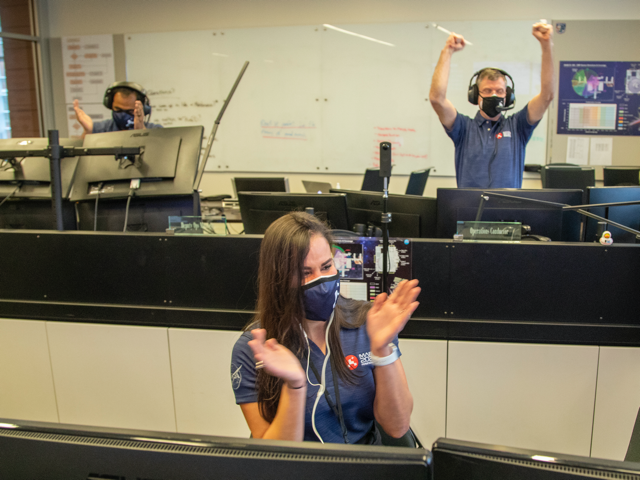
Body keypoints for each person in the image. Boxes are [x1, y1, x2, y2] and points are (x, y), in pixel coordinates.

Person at [230, 212, 419, 443]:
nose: (321, 281)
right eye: (305, 273)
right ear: (278, 279)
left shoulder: (369, 322)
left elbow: (397, 427)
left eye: (326, 266)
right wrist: (295, 385)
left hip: (364, 467)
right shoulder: (255, 349)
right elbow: (272, 457)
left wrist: (382, 350)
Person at [429, 22, 554, 188]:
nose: (494, 95)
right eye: (487, 90)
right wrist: (448, 51)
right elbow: (437, 98)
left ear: (508, 96)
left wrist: (546, 46)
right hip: (470, 212)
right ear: (475, 95)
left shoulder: (518, 126)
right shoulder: (463, 127)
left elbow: (547, 96)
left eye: (500, 91)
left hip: (507, 213)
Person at [73, 81, 162, 136]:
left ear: (143, 109)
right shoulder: (99, 129)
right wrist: (88, 132)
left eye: (130, 111)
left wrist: (141, 132)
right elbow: (80, 156)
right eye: (118, 110)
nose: (123, 115)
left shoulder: (156, 131)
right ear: (110, 105)